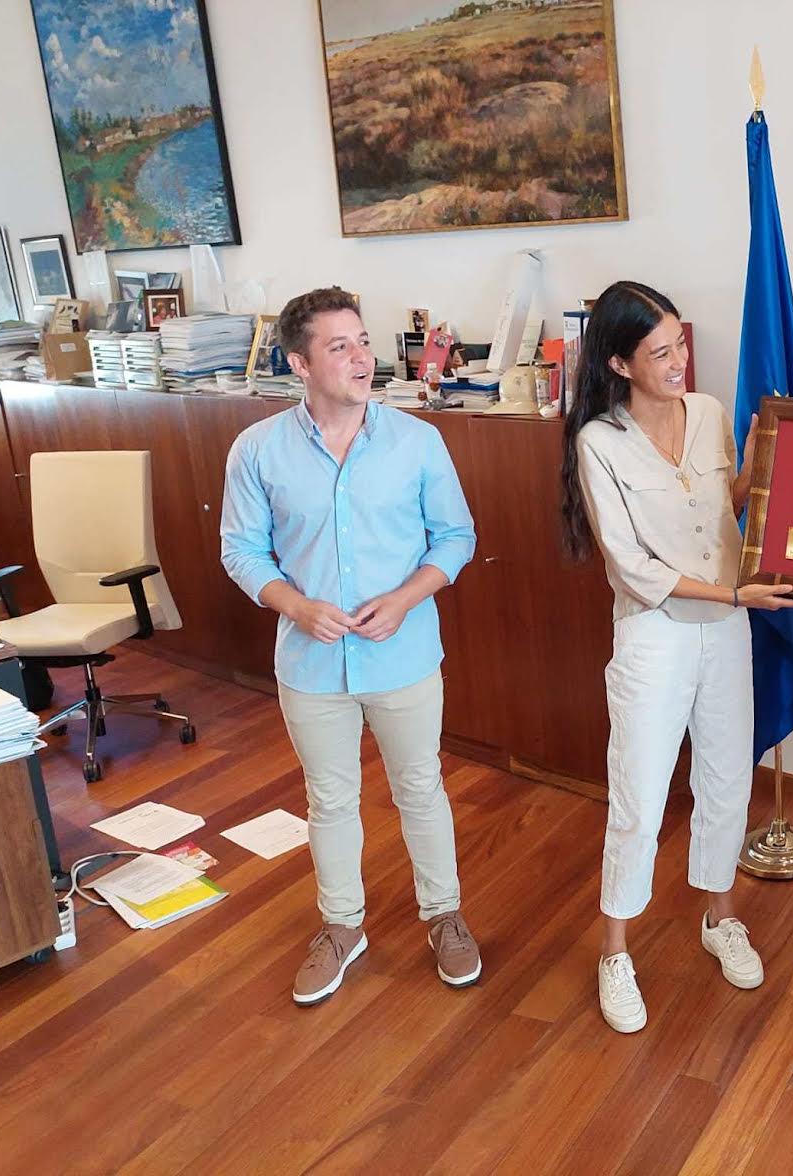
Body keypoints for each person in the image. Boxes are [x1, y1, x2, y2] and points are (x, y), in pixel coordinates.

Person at [221, 286, 480, 1006]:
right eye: (340, 347)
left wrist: (405, 598)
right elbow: (242, 551)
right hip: (310, 663)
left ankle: (445, 916)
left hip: (403, 655)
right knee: (329, 800)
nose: (362, 358)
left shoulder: (416, 441)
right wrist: (296, 606)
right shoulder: (258, 450)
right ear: (300, 364)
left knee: (420, 788)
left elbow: (455, 538)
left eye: (363, 341)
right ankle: (341, 926)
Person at [559, 280, 793, 1034]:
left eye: (681, 345)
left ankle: (718, 917)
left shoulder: (710, 415)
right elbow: (633, 566)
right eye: (659, 353)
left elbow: (720, 512)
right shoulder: (599, 442)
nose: (678, 363)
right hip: (656, 634)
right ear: (622, 363)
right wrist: (733, 599)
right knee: (639, 792)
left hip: (726, 628)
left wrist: (755, 470)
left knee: (728, 779)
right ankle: (615, 951)